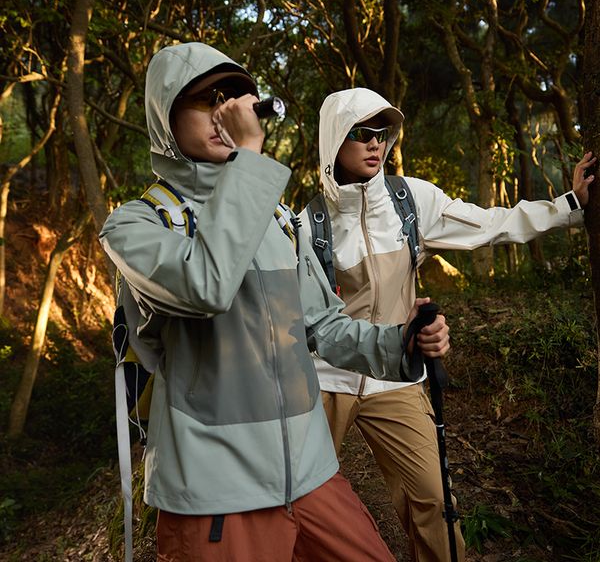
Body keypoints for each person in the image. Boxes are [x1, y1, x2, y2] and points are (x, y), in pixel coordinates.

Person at [99, 43, 451, 562]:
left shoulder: (278, 219)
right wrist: (249, 160)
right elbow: (206, 286)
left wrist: (402, 342)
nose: (226, 112)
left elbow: (322, 326)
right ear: (165, 114)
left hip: (310, 472)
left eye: (236, 100)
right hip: (216, 491)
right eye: (209, 100)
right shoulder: (137, 224)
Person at [299, 87, 594, 562]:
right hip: (325, 379)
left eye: (383, 133)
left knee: (435, 500)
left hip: (395, 376)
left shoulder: (410, 200)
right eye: (361, 133)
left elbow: (489, 224)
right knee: (300, 498)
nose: (375, 143)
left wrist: (567, 206)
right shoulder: (307, 223)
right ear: (333, 139)